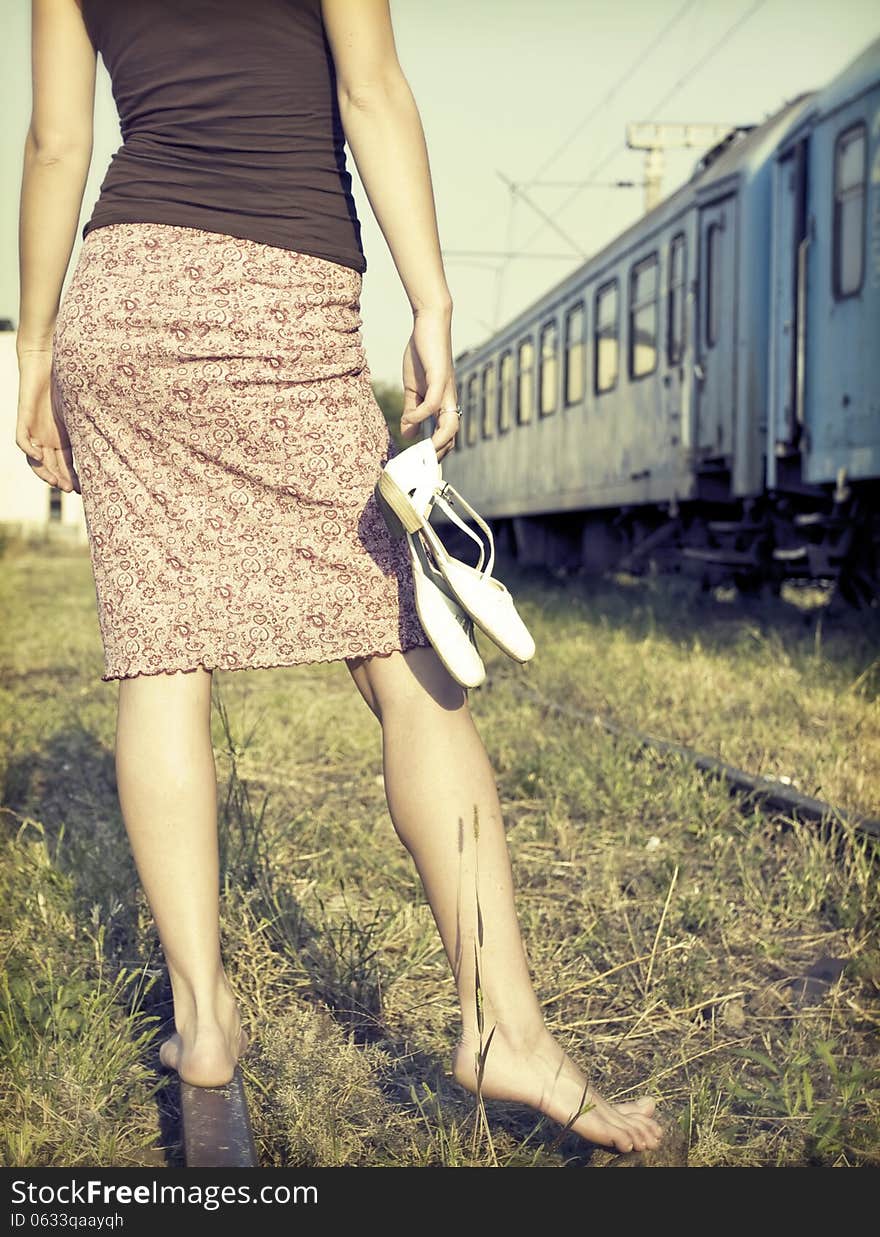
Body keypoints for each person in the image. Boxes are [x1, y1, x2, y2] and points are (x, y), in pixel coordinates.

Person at [15, 0, 663, 1157]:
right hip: (280, 292)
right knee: (405, 654)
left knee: (161, 652)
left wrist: (35, 352)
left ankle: (204, 1027)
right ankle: (501, 1028)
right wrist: (431, 301)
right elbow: (371, 91)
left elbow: (56, 143)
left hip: (123, 293)